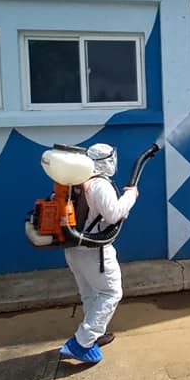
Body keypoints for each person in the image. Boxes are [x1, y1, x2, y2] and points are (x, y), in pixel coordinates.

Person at [59, 143, 138, 364]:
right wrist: (130, 196)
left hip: (74, 249)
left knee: (91, 293)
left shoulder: (75, 180)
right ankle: (82, 343)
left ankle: (94, 335)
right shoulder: (99, 185)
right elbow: (113, 215)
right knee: (111, 293)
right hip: (95, 251)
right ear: (108, 161)